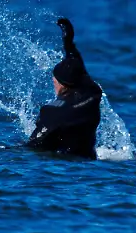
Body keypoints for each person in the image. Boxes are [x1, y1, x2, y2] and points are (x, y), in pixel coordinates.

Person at [27, 18, 102, 159]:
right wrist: (68, 43)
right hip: (90, 160)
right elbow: (77, 68)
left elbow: (33, 144)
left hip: (66, 165)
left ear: (61, 83)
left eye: (54, 80)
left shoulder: (53, 111)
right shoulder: (92, 94)